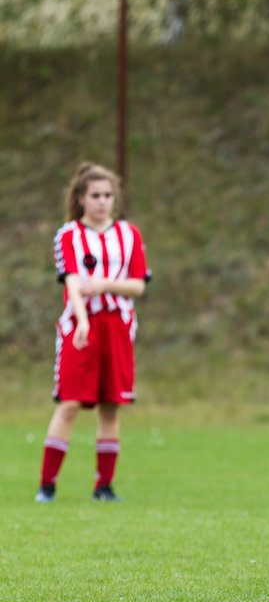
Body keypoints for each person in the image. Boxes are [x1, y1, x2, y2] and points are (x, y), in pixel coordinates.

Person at [37, 163, 151, 503]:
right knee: (70, 403)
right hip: (80, 326)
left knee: (111, 405)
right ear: (81, 199)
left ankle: (104, 486)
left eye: (108, 195)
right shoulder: (68, 235)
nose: (102, 202)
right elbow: (72, 281)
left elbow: (137, 285)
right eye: (95, 195)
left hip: (117, 326)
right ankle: (47, 484)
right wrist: (83, 320)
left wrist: (105, 285)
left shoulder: (129, 235)